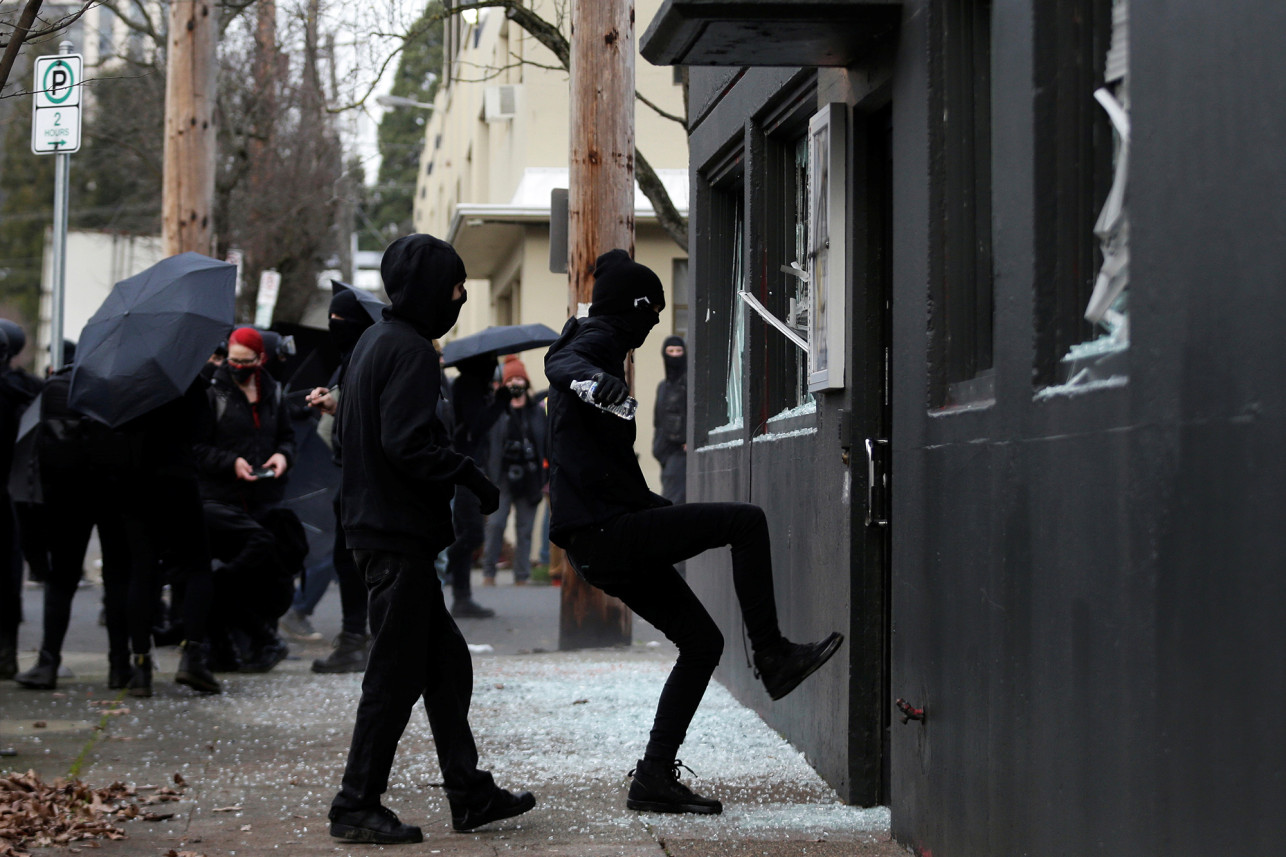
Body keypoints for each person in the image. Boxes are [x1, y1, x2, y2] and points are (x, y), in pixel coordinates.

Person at [544, 249, 844, 816]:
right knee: (745, 521)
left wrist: (657, 507)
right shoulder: (596, 342)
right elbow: (562, 366)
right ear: (631, 308)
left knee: (703, 642)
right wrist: (594, 383)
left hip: (603, 534)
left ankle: (654, 776)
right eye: (652, 311)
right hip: (604, 533)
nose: (656, 322)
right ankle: (774, 655)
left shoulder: (603, 343)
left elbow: (605, 466)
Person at [328, 233, 534, 844]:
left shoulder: (372, 343)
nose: (461, 297)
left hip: (380, 531)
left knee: (446, 667)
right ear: (427, 289)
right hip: (396, 537)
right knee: (392, 677)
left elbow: (350, 440)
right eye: (455, 286)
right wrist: (469, 474)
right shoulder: (412, 351)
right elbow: (407, 444)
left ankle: (469, 793)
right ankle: (354, 803)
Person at [194, 326, 304, 674]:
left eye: (246, 361)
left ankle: (255, 642)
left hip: (264, 498)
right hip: (222, 499)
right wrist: (232, 463)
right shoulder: (212, 391)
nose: (237, 366)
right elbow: (197, 448)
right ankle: (228, 644)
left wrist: (282, 458)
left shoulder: (272, 391)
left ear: (261, 359)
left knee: (259, 575)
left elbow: (286, 437)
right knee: (224, 573)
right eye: (233, 360)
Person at [297, 288, 378, 673]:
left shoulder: (372, 358)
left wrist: (338, 405)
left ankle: (367, 641)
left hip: (371, 481)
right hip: (350, 477)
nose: (334, 328)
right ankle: (354, 640)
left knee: (366, 563)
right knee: (348, 562)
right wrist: (330, 402)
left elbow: (375, 412)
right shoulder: (349, 361)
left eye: (341, 322)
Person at [442, 353, 508, 617]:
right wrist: (499, 403)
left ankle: (461, 594)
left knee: (468, 533)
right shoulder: (468, 386)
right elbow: (476, 425)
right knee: (470, 534)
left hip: (468, 466)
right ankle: (457, 590)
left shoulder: (471, 385)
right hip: (463, 468)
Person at [480, 356, 547, 586]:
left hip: (530, 476)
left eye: (520, 378)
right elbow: (487, 443)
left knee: (525, 529)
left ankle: (522, 575)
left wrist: (545, 476)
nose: (516, 383)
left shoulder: (536, 412)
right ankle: (488, 572)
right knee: (496, 524)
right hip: (501, 476)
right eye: (511, 379)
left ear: (527, 382)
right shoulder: (497, 410)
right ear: (505, 384)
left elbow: (545, 444)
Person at [652, 335, 688, 506]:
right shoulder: (663, 387)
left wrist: (689, 439)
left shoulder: (689, 384)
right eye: (671, 351)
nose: (674, 355)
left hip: (681, 452)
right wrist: (658, 448)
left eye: (679, 351)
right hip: (665, 451)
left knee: (673, 500)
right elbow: (658, 420)